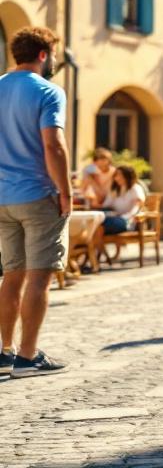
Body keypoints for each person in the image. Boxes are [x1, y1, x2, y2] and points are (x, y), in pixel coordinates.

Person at [0, 26, 71, 377]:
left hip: (2, 199)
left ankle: (5, 351)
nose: (54, 61)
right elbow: (53, 145)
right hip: (38, 195)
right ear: (44, 54)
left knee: (11, 276)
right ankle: (27, 358)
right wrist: (66, 192)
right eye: (54, 54)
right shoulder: (48, 91)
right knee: (39, 278)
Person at [90, 165, 146, 264]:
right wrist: (95, 201)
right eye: (116, 175)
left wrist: (125, 217)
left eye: (119, 175)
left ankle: (95, 258)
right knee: (95, 226)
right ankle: (100, 258)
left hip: (127, 222)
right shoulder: (115, 190)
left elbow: (136, 208)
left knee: (97, 227)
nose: (116, 177)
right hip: (113, 219)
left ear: (127, 176)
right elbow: (106, 206)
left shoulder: (135, 189)